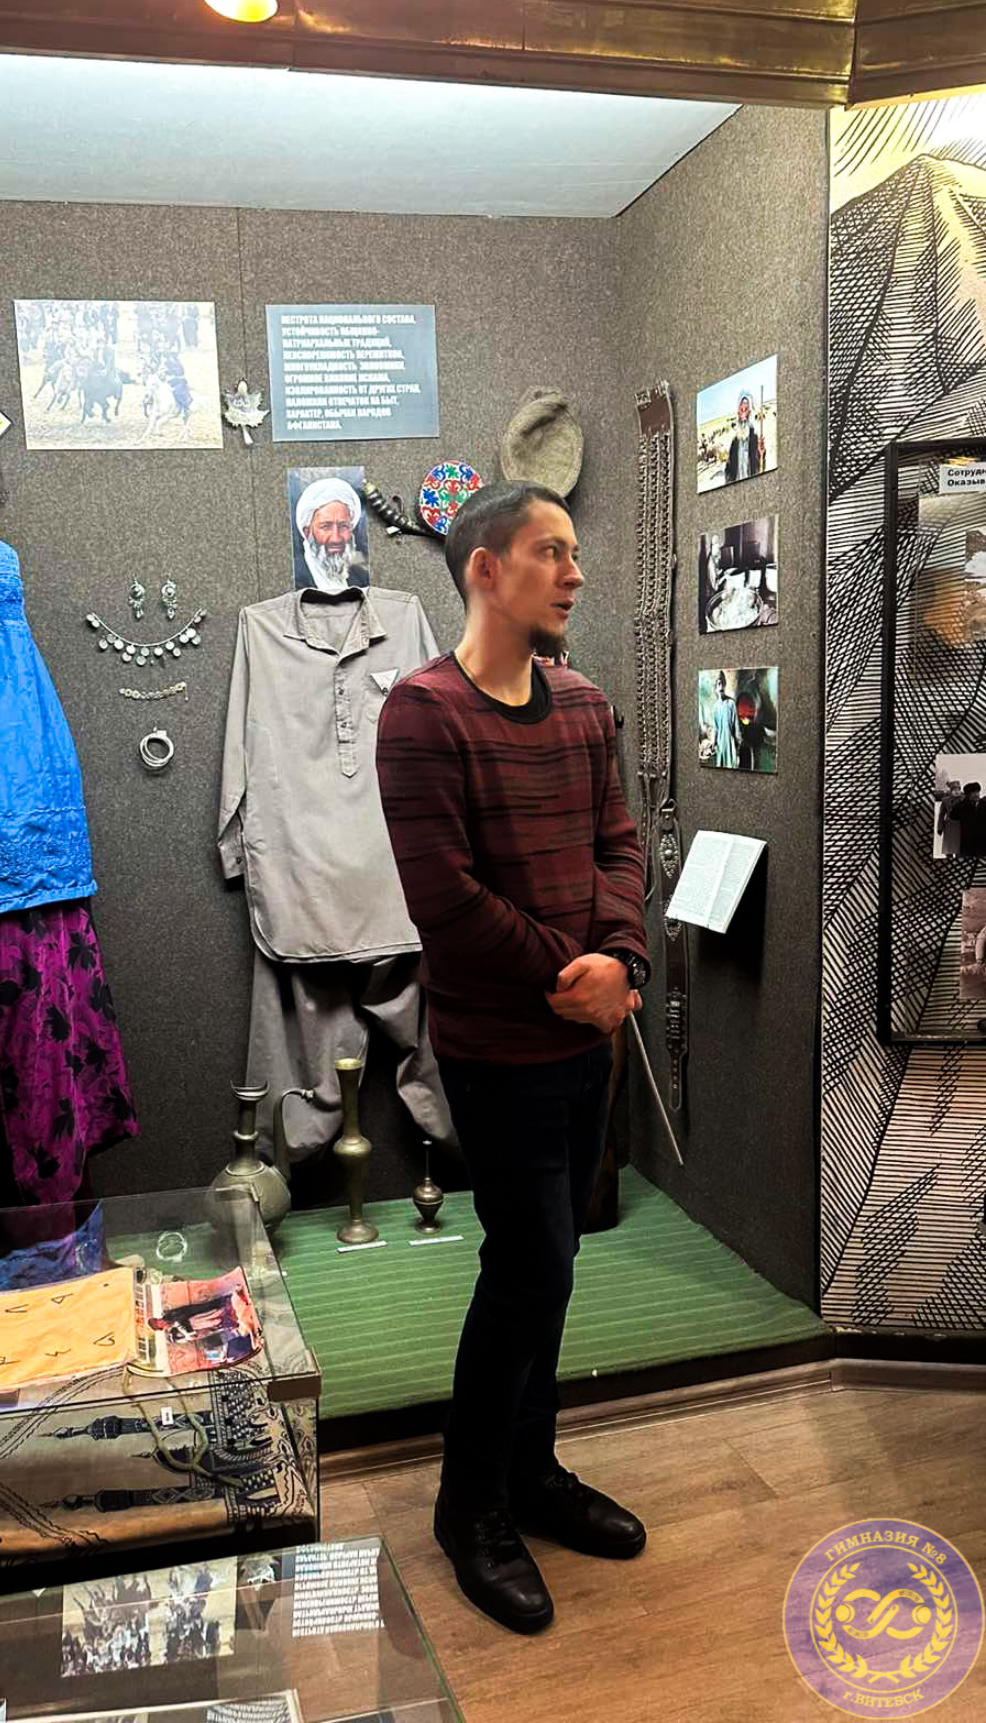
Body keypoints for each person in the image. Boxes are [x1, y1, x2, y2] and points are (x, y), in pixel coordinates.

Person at [375, 481, 650, 1637]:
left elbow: (620, 844)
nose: (574, 571)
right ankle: (469, 1502)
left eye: (575, 552)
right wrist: (569, 973)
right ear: (485, 568)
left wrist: (622, 961)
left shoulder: (583, 704)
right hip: (500, 1047)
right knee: (527, 1264)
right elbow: (444, 897)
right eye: (551, 551)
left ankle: (529, 1471)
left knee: (555, 1262)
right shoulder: (421, 713)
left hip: (589, 1036)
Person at [294, 477, 368, 593]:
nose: (335, 538)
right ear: (307, 532)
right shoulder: (295, 580)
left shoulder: (362, 578)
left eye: (343, 526)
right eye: (325, 526)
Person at [723, 389, 762, 483]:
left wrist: (761, 453)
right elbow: (729, 467)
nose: (744, 408)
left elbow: (759, 466)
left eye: (746, 406)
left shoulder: (755, 435)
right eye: (742, 405)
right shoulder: (734, 440)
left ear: (750, 411)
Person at [711, 671, 741, 768]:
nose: (721, 686)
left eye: (722, 683)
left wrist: (738, 746)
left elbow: (736, 726)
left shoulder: (731, 704)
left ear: (725, 685)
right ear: (715, 687)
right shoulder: (715, 707)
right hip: (720, 745)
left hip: (730, 744)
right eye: (718, 684)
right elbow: (715, 728)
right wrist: (713, 742)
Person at [950, 782, 986, 856]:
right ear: (967, 794)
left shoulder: (984, 805)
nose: (976, 794)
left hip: (983, 842)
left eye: (977, 792)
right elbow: (953, 816)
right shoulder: (961, 806)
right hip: (967, 842)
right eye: (973, 792)